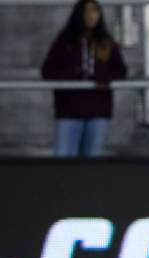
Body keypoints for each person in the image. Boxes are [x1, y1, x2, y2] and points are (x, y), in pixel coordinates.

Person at [41, 0, 127, 157]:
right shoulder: (64, 41)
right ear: (78, 14)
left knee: (91, 164)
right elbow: (48, 71)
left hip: (98, 111)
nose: (91, 16)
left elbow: (121, 71)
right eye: (87, 11)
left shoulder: (106, 42)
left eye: (95, 11)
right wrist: (72, 75)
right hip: (69, 110)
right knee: (63, 162)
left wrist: (103, 78)